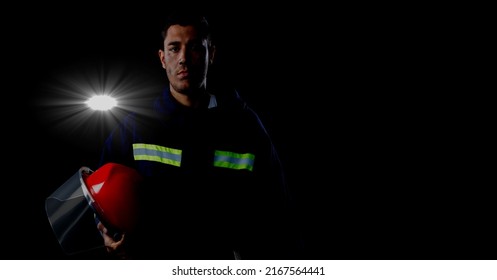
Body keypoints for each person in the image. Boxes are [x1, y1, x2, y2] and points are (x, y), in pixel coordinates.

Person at [95, 11, 303, 260]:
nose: (183, 58)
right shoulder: (135, 127)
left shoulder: (244, 127)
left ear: (210, 54)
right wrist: (106, 235)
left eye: (194, 47)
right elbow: (100, 195)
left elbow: (277, 209)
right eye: (174, 48)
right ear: (162, 58)